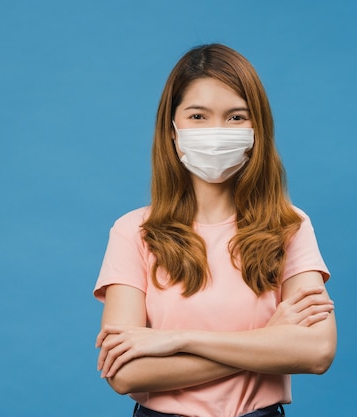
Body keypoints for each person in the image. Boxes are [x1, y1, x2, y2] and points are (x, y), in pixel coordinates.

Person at [93, 44, 337, 417]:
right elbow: (125, 375)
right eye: (198, 116)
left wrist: (179, 340)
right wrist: (269, 342)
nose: (217, 132)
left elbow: (317, 352)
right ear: (172, 129)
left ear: (257, 129)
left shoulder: (289, 226)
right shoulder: (133, 232)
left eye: (236, 117)